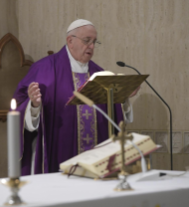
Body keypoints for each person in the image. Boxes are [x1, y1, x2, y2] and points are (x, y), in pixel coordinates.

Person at [13, 19, 138, 175]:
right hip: (57, 156)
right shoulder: (44, 69)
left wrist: (123, 98)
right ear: (70, 41)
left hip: (95, 162)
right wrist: (34, 106)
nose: (91, 46)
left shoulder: (99, 74)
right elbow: (18, 106)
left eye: (94, 42)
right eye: (87, 41)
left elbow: (112, 117)